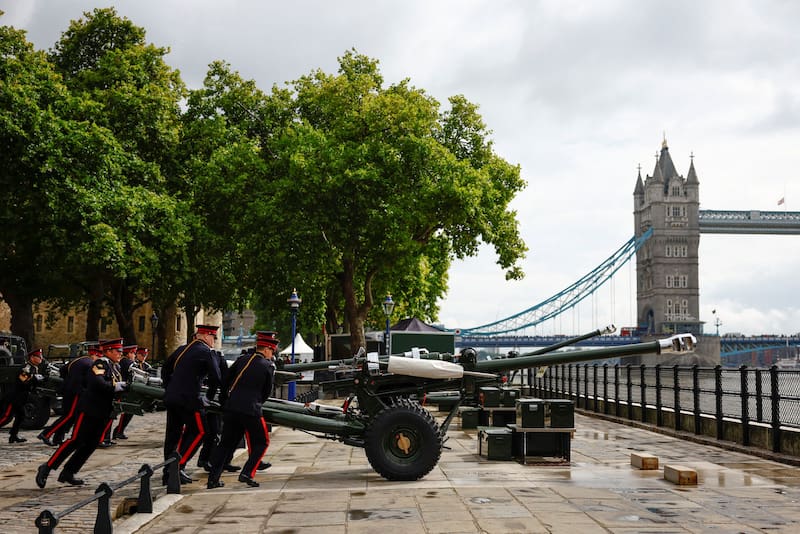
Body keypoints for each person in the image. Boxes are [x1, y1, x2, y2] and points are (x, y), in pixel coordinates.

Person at [36, 338, 126, 488]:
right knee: (76, 440)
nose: (120, 354)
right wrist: (115, 386)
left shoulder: (115, 367)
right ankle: (47, 467)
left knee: (91, 444)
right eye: (118, 351)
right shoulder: (100, 364)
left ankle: (69, 472)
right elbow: (97, 382)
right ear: (108, 351)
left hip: (103, 412)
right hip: (89, 410)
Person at [207, 331, 276, 489]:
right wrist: (257, 403)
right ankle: (247, 472)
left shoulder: (242, 360)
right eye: (272, 351)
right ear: (266, 350)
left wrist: (226, 402)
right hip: (251, 409)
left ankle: (213, 479)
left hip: (232, 408)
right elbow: (266, 392)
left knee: (226, 444)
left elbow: (225, 381)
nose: (272, 355)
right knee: (262, 442)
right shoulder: (267, 366)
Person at [161, 324, 222, 484]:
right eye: (213, 337)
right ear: (205, 336)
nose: (213, 341)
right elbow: (216, 377)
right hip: (189, 399)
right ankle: (177, 467)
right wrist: (208, 397)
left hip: (172, 398)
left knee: (172, 436)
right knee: (200, 431)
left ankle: (167, 472)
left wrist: (169, 388)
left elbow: (165, 369)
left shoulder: (182, 349)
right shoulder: (206, 352)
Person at [37, 343, 101, 446]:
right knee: (69, 416)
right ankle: (46, 433)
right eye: (98, 356)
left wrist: (68, 381)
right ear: (94, 354)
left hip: (68, 390)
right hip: (76, 392)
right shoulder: (89, 363)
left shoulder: (77, 360)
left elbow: (62, 370)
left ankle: (57, 438)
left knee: (69, 416)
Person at [0, 348, 44, 443]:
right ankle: (13, 435)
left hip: (21, 398)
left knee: (21, 416)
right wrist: (34, 380)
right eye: (39, 357)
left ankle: (13, 435)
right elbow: (23, 382)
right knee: (6, 417)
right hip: (14, 397)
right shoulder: (26, 368)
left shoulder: (34, 368)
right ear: (32, 357)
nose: (41, 359)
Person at [111, 345, 138, 440]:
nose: (135, 355)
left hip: (122, 389)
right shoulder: (127, 362)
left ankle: (116, 432)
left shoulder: (123, 362)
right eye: (133, 353)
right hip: (123, 390)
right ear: (129, 353)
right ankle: (117, 432)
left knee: (122, 412)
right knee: (125, 411)